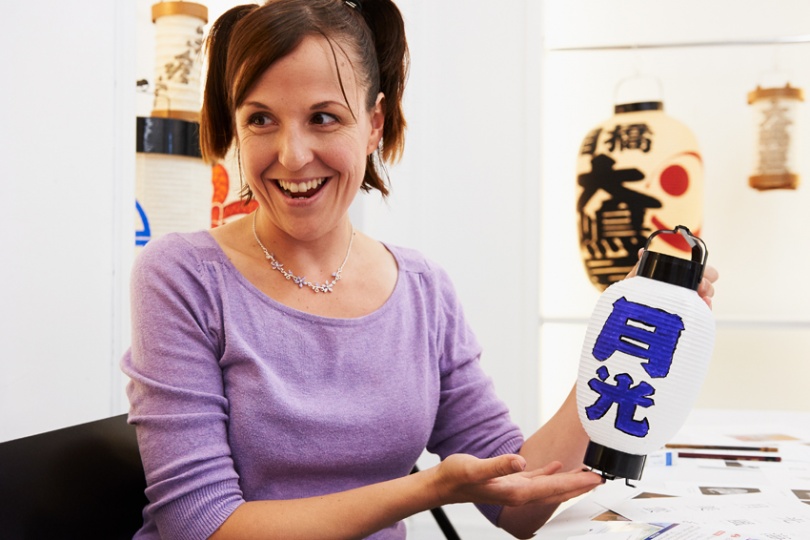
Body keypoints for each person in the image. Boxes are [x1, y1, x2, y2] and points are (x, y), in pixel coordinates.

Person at [121, 1, 719, 539]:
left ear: (374, 123)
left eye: (324, 118)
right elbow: (199, 523)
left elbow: (517, 502)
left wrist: (617, 351)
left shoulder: (422, 289)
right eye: (260, 120)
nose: (292, 155)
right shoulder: (183, 276)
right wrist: (428, 489)